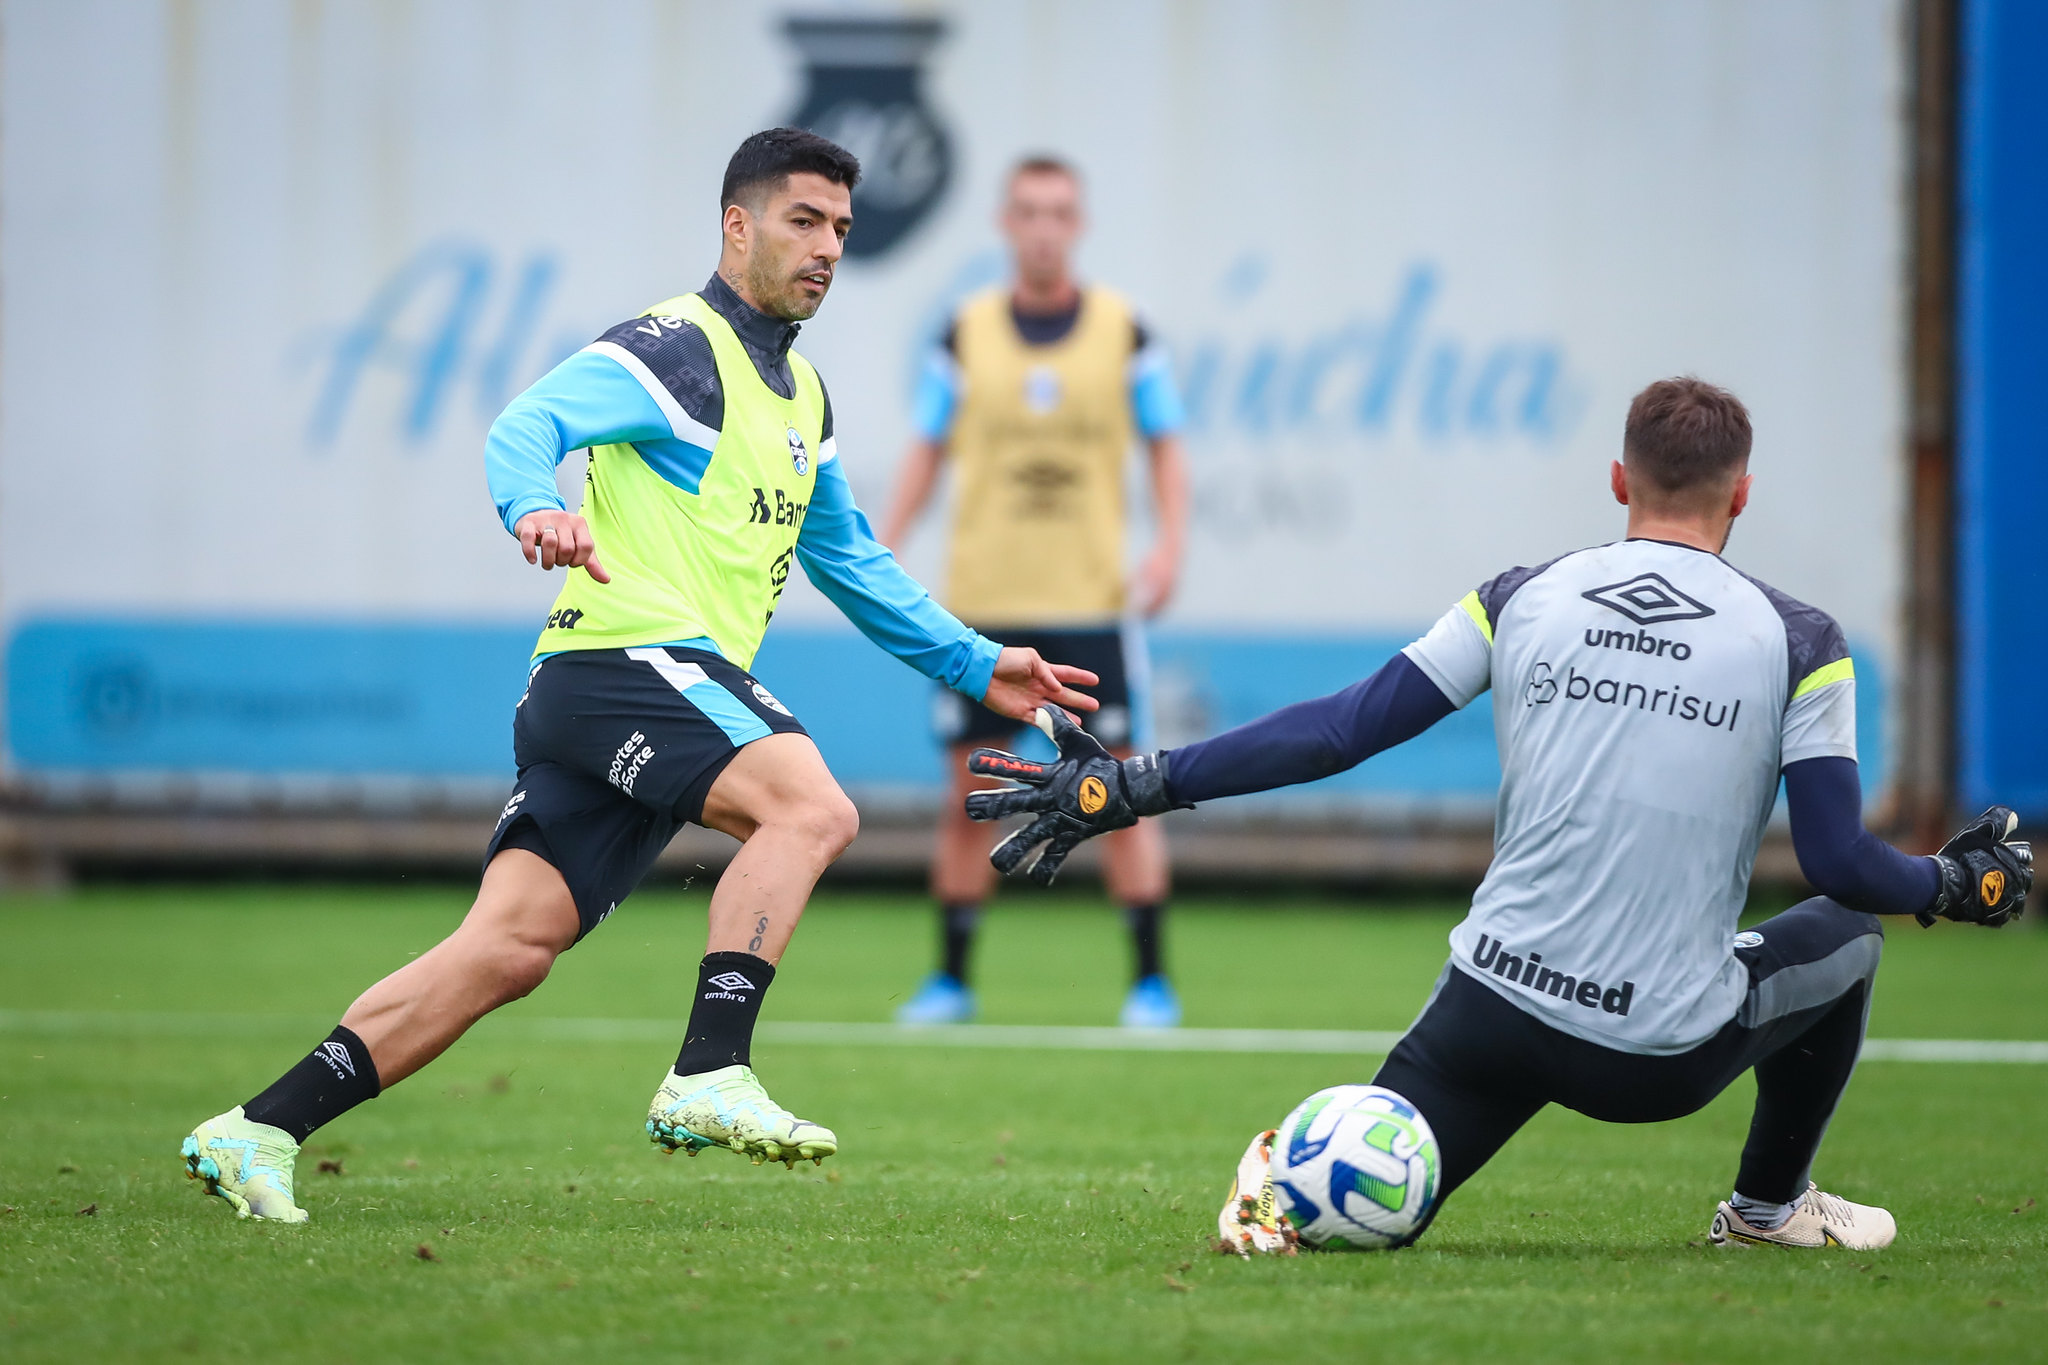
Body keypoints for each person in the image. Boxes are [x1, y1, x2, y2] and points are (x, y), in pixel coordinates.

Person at [178, 128, 1099, 1223]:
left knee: (508, 950)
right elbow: (526, 427)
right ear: (737, 224)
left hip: (610, 690)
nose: (826, 249)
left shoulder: (801, 396)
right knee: (810, 810)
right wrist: (536, 510)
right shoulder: (673, 348)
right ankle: (710, 1070)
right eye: (803, 221)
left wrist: (976, 661)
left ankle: (257, 1128)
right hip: (625, 659)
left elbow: (848, 559)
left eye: (842, 231)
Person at [964, 377, 2033, 1250]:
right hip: (1651, 1056)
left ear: (1618, 478)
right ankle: (1765, 1211)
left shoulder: (1523, 593)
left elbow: (1341, 730)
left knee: (1350, 1207)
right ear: (1739, 496)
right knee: (1842, 939)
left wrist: (1134, 785)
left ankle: (1286, 1188)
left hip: (1485, 1020)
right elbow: (1838, 860)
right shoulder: (1800, 640)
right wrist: (1950, 883)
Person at [878, 155, 1191, 1028]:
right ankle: (950, 979)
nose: (1045, 228)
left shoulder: (1127, 333)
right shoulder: (964, 333)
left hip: (1090, 606)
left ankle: (1150, 983)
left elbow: (1167, 445)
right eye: (1029, 212)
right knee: (964, 794)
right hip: (983, 607)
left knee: (1123, 792)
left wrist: (1167, 545)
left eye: (1060, 212)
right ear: (1005, 224)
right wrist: (883, 544)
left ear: (1078, 224)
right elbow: (926, 447)